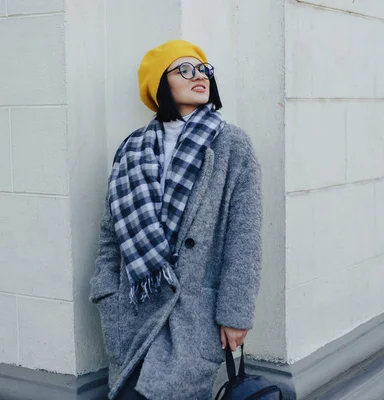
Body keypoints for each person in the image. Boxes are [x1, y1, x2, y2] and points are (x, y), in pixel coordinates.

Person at [89, 39, 263, 400]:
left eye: (203, 69)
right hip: (135, 310)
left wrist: (236, 312)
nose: (198, 76)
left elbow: (243, 236)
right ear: (159, 84)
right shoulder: (132, 147)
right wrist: (106, 292)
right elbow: (110, 233)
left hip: (194, 314)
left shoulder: (232, 145)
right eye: (184, 69)